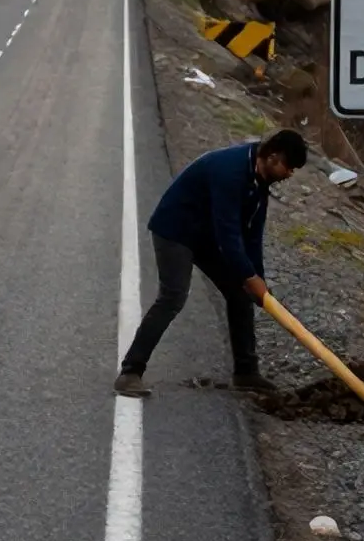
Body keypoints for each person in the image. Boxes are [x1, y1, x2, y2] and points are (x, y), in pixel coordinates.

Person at [115, 129, 308, 398]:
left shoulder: (260, 179)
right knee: (173, 297)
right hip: (176, 230)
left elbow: (252, 235)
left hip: (205, 235)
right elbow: (229, 235)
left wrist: (257, 279)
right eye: (289, 167)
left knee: (241, 293)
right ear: (273, 157)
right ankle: (130, 372)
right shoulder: (231, 171)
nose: (290, 174)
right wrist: (249, 276)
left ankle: (246, 372)